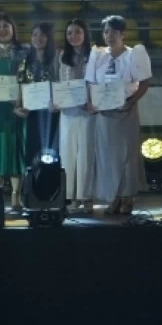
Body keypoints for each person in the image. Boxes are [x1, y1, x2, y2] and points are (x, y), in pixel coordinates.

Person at [85, 15, 151, 215]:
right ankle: (112, 197)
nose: (109, 36)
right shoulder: (98, 55)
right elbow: (90, 81)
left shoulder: (133, 54)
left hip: (125, 111)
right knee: (107, 157)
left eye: (114, 32)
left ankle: (127, 197)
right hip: (103, 113)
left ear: (123, 34)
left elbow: (145, 82)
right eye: (106, 31)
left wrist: (131, 102)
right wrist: (91, 103)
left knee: (127, 155)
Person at [0, 12, 28, 212]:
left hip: (17, 109)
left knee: (17, 151)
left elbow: (30, 79)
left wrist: (21, 100)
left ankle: (17, 197)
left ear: (13, 29)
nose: (2, 30)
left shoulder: (25, 51)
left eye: (6, 26)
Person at [59, 18, 96, 215]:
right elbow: (58, 84)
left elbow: (98, 82)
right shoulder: (61, 56)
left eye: (77, 32)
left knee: (87, 155)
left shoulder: (95, 55)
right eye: (69, 33)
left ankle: (87, 196)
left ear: (85, 34)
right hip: (67, 113)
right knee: (68, 155)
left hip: (88, 112)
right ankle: (71, 196)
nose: (73, 36)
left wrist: (93, 102)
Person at [17, 23, 60, 170]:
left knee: (52, 156)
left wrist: (58, 103)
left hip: (52, 114)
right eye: (34, 34)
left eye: (42, 35)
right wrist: (18, 107)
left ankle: (53, 190)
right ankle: (32, 190)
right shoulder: (25, 61)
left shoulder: (57, 59)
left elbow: (62, 86)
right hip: (31, 115)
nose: (38, 38)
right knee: (32, 155)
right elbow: (21, 87)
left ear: (49, 38)